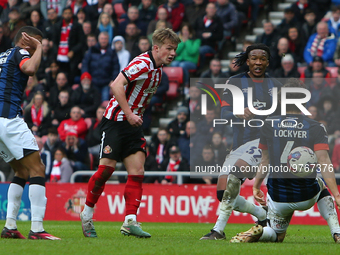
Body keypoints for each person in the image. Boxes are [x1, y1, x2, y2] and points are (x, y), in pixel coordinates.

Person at [80, 28, 180, 238]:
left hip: (133, 125)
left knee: (137, 172)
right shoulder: (142, 63)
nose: (173, 53)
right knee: (106, 171)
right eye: (169, 48)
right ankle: (87, 215)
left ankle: (129, 221)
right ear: (156, 48)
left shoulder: (158, 69)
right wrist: (129, 113)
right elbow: (116, 85)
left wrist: (137, 115)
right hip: (115, 122)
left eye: (175, 49)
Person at [230, 79, 340, 243]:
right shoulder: (316, 127)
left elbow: (265, 161)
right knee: (320, 184)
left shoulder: (268, 124)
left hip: (278, 196)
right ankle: (337, 233)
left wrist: (255, 186)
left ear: (281, 100)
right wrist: (337, 195)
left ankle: (262, 232)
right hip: (306, 195)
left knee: (277, 235)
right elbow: (324, 163)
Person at [200, 43, 282, 240]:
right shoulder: (234, 83)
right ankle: (262, 215)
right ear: (247, 61)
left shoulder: (276, 86)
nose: (258, 62)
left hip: (263, 143)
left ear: (268, 63)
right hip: (239, 144)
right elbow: (224, 112)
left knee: (234, 177)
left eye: (262, 59)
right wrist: (238, 112)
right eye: (254, 58)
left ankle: (218, 231)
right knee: (223, 192)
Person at [0, 26, 60, 240]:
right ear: (26, 40)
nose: (37, 47)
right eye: (36, 41)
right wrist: (39, 47)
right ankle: (37, 229)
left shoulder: (2, 56)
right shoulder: (21, 52)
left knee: (21, 171)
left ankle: (10, 227)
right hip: (9, 120)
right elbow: (30, 69)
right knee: (37, 168)